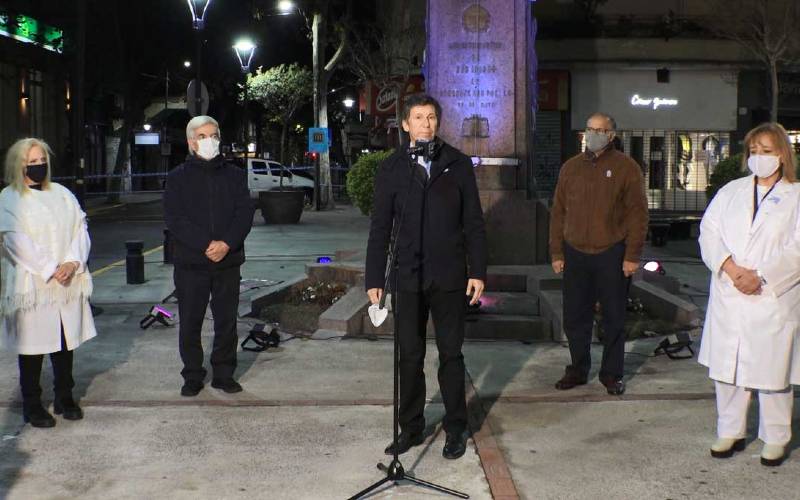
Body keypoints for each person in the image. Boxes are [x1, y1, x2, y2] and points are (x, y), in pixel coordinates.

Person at [365, 94, 488, 460]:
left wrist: (478, 270)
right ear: (406, 124)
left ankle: (456, 427)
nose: (425, 124)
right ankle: (411, 427)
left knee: (451, 354)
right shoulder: (392, 168)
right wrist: (375, 278)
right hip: (407, 274)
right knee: (409, 355)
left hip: (449, 275)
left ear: (438, 122)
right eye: (418, 117)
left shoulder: (457, 163)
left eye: (431, 117)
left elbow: (474, 222)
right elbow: (380, 227)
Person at [698, 122, 800, 467]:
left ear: (783, 154)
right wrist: (730, 268)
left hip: (772, 295)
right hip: (730, 290)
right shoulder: (731, 191)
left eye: (766, 151)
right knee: (727, 368)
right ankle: (730, 431)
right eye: (754, 151)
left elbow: (797, 248)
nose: (759, 157)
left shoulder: (796, 196)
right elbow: (709, 232)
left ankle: (776, 437)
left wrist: (761, 276)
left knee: (773, 372)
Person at [549, 112, 649, 395]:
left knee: (614, 317)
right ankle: (578, 369)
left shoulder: (626, 168)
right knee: (574, 317)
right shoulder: (570, 168)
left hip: (611, 253)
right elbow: (558, 212)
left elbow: (638, 215)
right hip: (575, 252)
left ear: (611, 135)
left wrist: (632, 255)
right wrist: (556, 252)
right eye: (590, 129)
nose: (593, 135)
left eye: (600, 130)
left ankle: (611, 373)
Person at [0, 138, 96, 427]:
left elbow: (80, 228)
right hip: (33, 283)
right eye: (32, 162)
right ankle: (32, 404)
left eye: (42, 161)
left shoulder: (62, 194)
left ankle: (65, 396)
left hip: (66, 281)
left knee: (64, 344)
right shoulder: (10, 198)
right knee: (32, 347)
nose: (38, 166)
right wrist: (51, 268)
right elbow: (15, 240)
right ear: (19, 164)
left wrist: (72, 262)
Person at [164, 116, 254, 397]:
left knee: (226, 320)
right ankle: (192, 375)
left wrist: (226, 244)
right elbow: (175, 219)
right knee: (190, 321)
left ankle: (224, 374)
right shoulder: (177, 178)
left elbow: (244, 214)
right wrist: (205, 244)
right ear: (191, 142)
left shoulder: (235, 175)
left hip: (228, 261)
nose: (210, 141)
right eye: (203, 136)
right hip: (191, 263)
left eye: (214, 135)